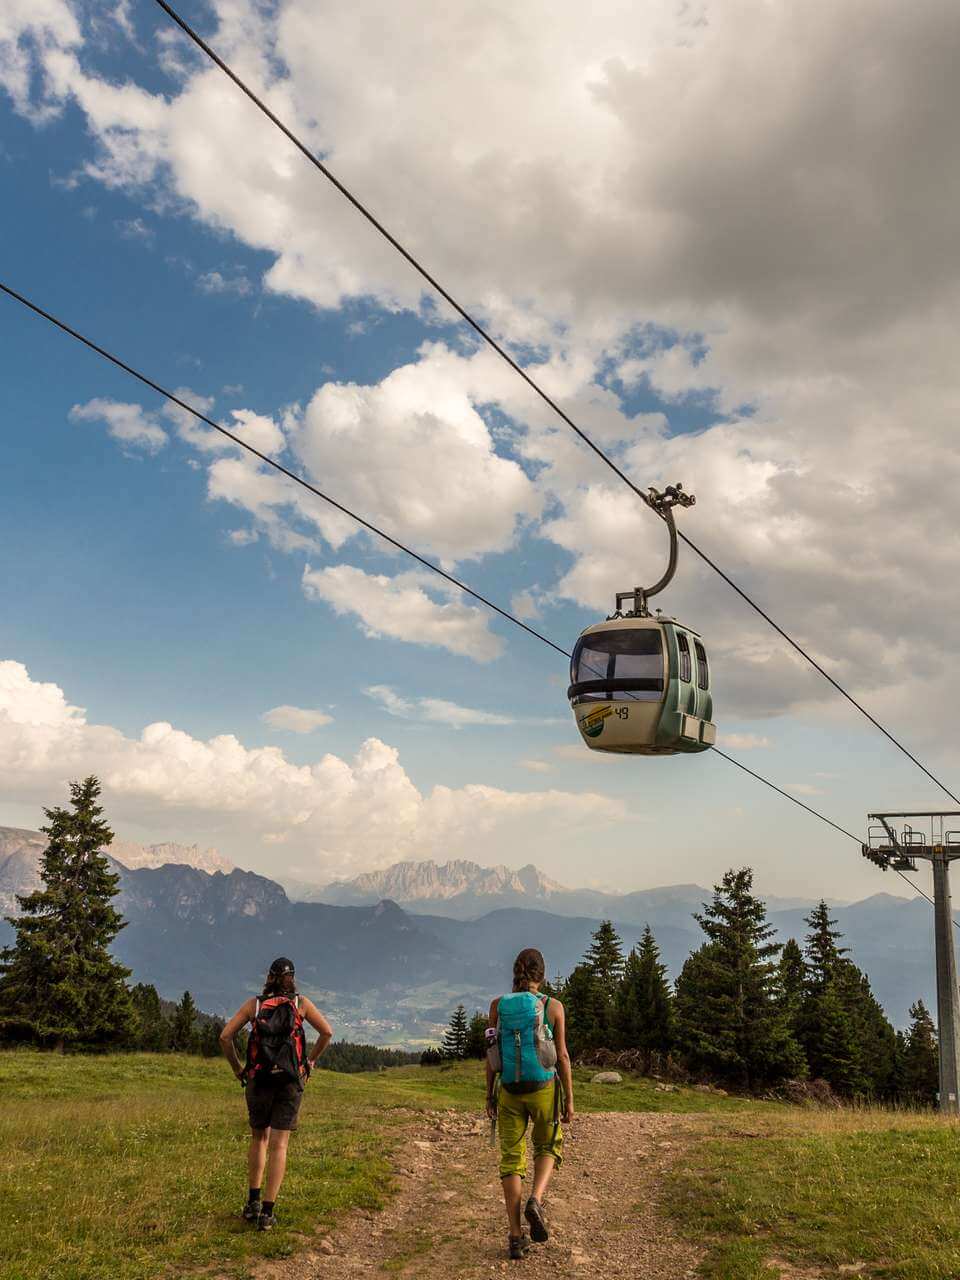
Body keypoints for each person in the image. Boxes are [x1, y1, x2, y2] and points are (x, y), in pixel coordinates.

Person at [219, 956, 333, 1230]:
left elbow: (225, 1037)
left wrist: (239, 1069)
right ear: (292, 978)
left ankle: (252, 1203)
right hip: (290, 1080)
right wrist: (310, 1062)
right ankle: (268, 1213)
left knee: (259, 1139)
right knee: (279, 1145)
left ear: (269, 977)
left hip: (258, 1078)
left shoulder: (254, 1005)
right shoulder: (301, 1004)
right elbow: (326, 1033)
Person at [485, 947, 574, 1261]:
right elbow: (561, 1056)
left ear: (516, 973)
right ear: (542, 975)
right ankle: (535, 1199)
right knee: (548, 1145)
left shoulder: (497, 1006)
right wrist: (569, 1101)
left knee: (512, 1159)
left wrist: (489, 1094)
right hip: (544, 1089)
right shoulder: (553, 1006)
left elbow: (492, 1055)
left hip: (509, 1090)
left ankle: (514, 1236)